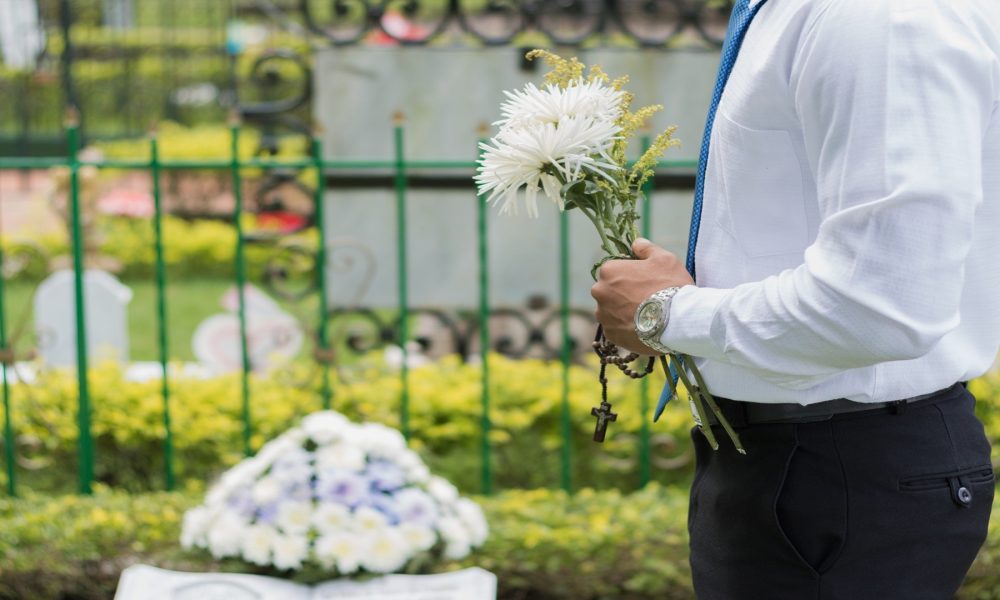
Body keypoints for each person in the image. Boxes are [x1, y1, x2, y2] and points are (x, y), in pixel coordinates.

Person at [590, 0, 1000, 598]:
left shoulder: (877, 17)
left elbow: (879, 307)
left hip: (839, 472)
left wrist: (667, 315)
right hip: (796, 463)